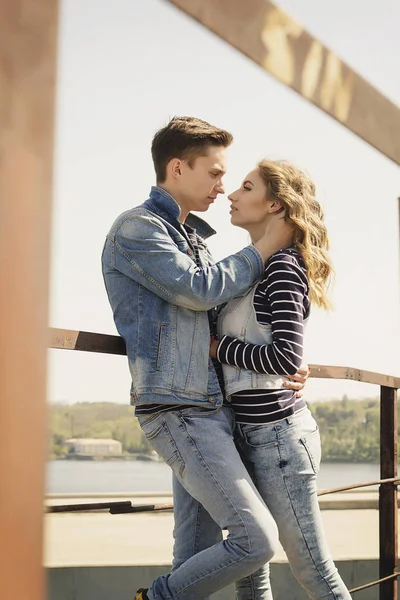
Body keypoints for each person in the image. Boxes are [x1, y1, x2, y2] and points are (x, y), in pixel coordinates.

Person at [102, 117, 306, 600]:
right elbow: (200, 290)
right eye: (214, 173)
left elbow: (217, 325)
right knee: (255, 542)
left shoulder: (193, 238)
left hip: (211, 410)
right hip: (177, 411)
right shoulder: (137, 228)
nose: (222, 185)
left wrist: (281, 361)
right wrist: (265, 247)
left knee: (194, 555)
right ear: (177, 167)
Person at [208, 159, 352, 599]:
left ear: (274, 205)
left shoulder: (283, 268)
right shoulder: (252, 269)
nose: (231, 194)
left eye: (246, 187)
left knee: (311, 569)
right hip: (244, 435)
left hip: (278, 439)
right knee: (251, 570)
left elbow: (287, 356)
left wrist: (216, 348)